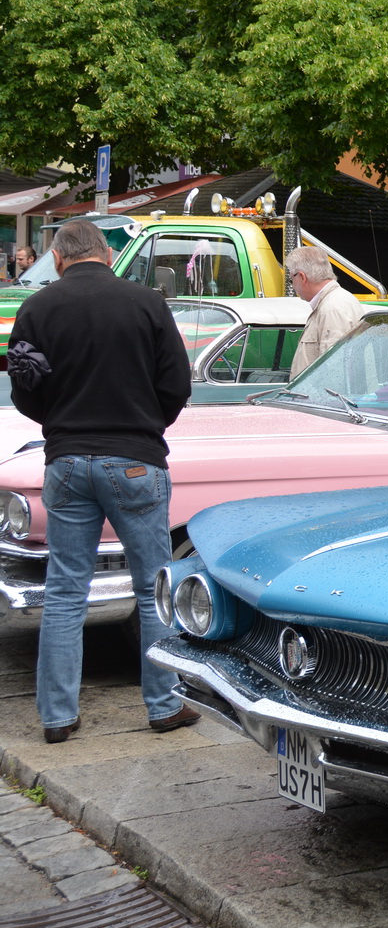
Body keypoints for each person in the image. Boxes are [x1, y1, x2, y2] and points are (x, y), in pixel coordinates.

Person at [7, 220, 195, 743]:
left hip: (65, 461)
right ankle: (164, 705)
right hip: (135, 458)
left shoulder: (36, 309)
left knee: (66, 591)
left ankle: (57, 717)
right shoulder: (147, 303)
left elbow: (25, 389)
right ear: (106, 254)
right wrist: (144, 425)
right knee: (154, 586)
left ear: (59, 258)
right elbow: (177, 384)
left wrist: (60, 422)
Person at [286, 245, 365, 378]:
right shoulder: (333, 303)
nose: (292, 286)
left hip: (321, 398)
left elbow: (335, 372)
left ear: (302, 277)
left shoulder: (333, 308)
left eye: (291, 280)